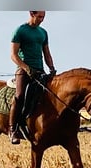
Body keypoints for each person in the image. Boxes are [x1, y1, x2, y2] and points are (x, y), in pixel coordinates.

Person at [9, 11, 56, 144]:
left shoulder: (43, 32)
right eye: (40, 17)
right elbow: (13, 55)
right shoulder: (20, 30)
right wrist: (27, 68)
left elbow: (47, 53)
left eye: (43, 17)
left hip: (40, 70)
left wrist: (51, 68)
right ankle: (13, 129)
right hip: (24, 70)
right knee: (20, 96)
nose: (42, 20)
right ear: (32, 13)